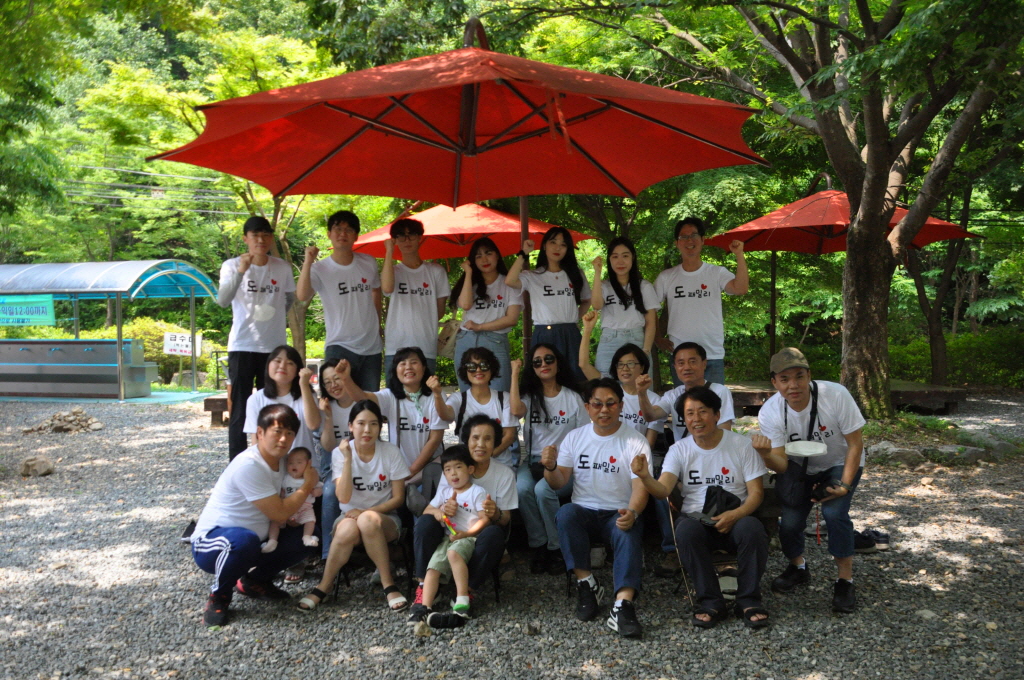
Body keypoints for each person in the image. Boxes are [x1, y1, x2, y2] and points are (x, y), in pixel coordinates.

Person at [631, 386, 770, 629]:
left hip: (736, 517)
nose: (696, 419)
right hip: (698, 520)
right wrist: (645, 476)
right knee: (685, 530)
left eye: (703, 411)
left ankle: (748, 600)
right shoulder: (679, 450)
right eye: (690, 413)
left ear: (717, 415)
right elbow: (662, 490)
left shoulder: (741, 445)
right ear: (683, 419)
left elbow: (756, 493)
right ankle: (710, 601)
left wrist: (736, 514)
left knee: (752, 528)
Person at [754, 347, 866, 613]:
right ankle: (798, 566)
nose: (793, 385)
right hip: (798, 466)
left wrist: (845, 484)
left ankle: (845, 580)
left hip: (839, 462)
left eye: (799, 377)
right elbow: (781, 463)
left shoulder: (835, 395)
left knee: (834, 513)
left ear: (809, 376)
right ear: (775, 382)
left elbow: (855, 444)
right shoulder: (770, 412)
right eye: (784, 379)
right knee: (790, 521)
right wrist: (766, 455)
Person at [191, 404, 319, 627]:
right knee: (244, 540)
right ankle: (219, 596)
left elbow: (291, 504)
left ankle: (254, 581)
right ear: (260, 432)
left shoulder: (285, 462)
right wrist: (308, 485)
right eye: (277, 432)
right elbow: (279, 511)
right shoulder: (249, 465)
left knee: (309, 535)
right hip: (212, 543)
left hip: (257, 541)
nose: (283, 439)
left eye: (289, 433)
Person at [544, 377, 650, 639]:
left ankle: (623, 606)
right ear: (587, 407)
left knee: (628, 527)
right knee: (566, 513)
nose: (604, 410)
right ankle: (587, 584)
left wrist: (633, 512)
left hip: (617, 511)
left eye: (611, 403)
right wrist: (550, 467)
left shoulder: (635, 441)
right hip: (585, 510)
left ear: (621, 406)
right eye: (597, 404)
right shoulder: (575, 438)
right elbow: (558, 483)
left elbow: (641, 487)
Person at [298, 400, 411, 612]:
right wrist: (348, 459)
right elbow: (343, 497)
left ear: (380, 427)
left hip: (385, 519)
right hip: (348, 517)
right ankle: (325, 585)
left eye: (373, 424)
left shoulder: (390, 452)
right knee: (348, 528)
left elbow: (398, 498)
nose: (367, 430)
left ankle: (388, 584)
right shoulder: (340, 452)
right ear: (350, 426)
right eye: (361, 423)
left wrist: (366, 512)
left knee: (367, 520)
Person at [635, 341, 735, 576]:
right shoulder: (673, 395)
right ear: (675, 368)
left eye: (692, 361)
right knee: (662, 488)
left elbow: (725, 433)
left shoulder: (719, 391)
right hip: (682, 460)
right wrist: (641, 392)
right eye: (680, 363)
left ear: (704, 364)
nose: (686, 367)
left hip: (714, 459)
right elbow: (650, 415)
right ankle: (673, 549)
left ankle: (720, 548)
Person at [410, 414, 518, 623]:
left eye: (488, 439)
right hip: (449, 533)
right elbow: (434, 507)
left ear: (496, 443)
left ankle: (467, 591)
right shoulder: (453, 468)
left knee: (494, 533)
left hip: (478, 534)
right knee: (424, 523)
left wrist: (495, 513)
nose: (481, 444)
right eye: (475, 438)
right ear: (466, 440)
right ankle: (425, 587)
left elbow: (505, 519)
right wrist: (443, 509)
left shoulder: (504, 474)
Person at [217, 216, 296, 459]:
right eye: (255, 235)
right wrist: (242, 271)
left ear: (271, 238)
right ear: (245, 238)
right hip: (242, 345)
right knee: (239, 407)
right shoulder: (231, 265)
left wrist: (273, 316)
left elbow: (289, 299)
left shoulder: (282, 267)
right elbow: (222, 300)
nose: (261, 240)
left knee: (272, 407)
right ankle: (237, 462)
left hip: (274, 348)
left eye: (265, 235)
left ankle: (271, 458)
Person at [510, 344, 586, 575]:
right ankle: (539, 544)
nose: (543, 364)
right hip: (533, 461)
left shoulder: (572, 397)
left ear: (558, 363)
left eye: (548, 359)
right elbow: (515, 410)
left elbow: (584, 436)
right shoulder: (529, 397)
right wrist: (514, 373)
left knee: (543, 490)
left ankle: (556, 547)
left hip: (564, 464)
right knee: (522, 489)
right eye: (537, 362)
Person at [336, 346, 446, 502]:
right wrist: (345, 379)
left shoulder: (435, 396)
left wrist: (412, 470)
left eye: (414, 362)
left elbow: (435, 439)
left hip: (428, 468)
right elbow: (362, 398)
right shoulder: (390, 396)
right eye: (402, 363)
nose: (408, 367)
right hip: (398, 470)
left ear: (423, 367)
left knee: (423, 500)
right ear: (395, 370)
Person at [654, 217, 748, 386]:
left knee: (713, 402)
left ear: (703, 240)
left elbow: (740, 288)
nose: (689, 240)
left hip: (711, 354)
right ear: (677, 243)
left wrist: (739, 255)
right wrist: (657, 338)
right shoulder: (666, 277)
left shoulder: (716, 272)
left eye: (694, 235)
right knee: (685, 403)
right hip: (681, 357)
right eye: (683, 237)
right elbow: (650, 308)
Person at [296, 210, 383, 391]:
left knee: (369, 401)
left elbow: (376, 290)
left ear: (356, 236)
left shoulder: (368, 262)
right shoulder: (320, 268)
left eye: (349, 229)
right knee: (338, 399)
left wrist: (377, 322)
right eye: (338, 229)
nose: (343, 233)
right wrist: (307, 262)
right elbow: (302, 295)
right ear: (329, 234)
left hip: (371, 347)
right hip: (339, 345)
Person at [414, 445, 490, 627]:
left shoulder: (477, 492)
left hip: (468, 538)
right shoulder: (445, 492)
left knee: (453, 554)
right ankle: (425, 608)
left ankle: (462, 601)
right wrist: (439, 512)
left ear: (470, 469)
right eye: (447, 469)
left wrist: (468, 533)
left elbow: (484, 519)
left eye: (458, 467)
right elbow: (427, 510)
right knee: (433, 566)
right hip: (448, 538)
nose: (453, 473)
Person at [505, 227, 591, 383]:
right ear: (544, 245)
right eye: (553, 242)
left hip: (571, 333)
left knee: (576, 379)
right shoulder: (532, 275)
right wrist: (524, 253)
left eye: (563, 244)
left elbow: (587, 300)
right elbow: (510, 281)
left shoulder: (576, 274)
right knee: (543, 380)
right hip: (544, 333)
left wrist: (574, 319)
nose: (558, 248)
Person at [579, 310, 663, 448]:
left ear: (642, 367)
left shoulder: (654, 401)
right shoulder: (610, 391)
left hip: (636, 456)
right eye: (620, 364)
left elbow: (649, 443)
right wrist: (587, 329)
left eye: (631, 364)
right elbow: (583, 365)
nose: (625, 369)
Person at [451, 237, 523, 393]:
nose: (484, 259)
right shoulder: (470, 283)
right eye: (478, 256)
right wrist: (468, 273)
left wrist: (480, 327)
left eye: (488, 253)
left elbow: (512, 319)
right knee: (467, 394)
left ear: (497, 255)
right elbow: (465, 305)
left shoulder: (509, 283)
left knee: (500, 394)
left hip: (495, 339)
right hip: (466, 339)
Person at [381, 218, 450, 376]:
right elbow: (387, 288)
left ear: (420, 237)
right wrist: (389, 251)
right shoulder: (393, 271)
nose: (407, 240)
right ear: (395, 240)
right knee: (395, 391)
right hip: (396, 346)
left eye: (411, 235)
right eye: (401, 236)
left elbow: (439, 311)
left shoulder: (436, 271)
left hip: (425, 345)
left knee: (426, 391)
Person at [436, 347, 519, 468]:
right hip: (467, 465)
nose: (478, 370)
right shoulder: (458, 398)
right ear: (465, 370)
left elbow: (509, 436)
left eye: (484, 365)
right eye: (472, 366)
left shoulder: (504, 398)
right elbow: (446, 415)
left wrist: (484, 457)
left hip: (500, 465)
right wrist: (437, 394)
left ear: (492, 369)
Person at [589, 237, 659, 377]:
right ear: (609, 260)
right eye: (615, 257)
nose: (620, 261)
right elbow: (596, 305)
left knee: (639, 386)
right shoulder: (604, 286)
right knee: (606, 386)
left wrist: (645, 350)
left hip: (637, 340)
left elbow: (651, 322)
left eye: (625, 256)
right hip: (609, 342)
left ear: (633, 257)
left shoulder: (644, 286)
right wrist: (597, 273)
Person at [243, 346, 321, 456]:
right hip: (271, 463)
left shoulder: (307, 395)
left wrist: (304, 385)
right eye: (277, 361)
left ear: (297, 370)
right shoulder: (256, 399)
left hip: (302, 462)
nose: (282, 366)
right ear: (268, 365)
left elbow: (313, 425)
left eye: (290, 363)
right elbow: (256, 440)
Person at [314, 358, 355, 563]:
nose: (333, 385)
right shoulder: (325, 407)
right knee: (330, 492)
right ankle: (328, 554)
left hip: (364, 463)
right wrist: (328, 418)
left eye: (336, 379)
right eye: (327, 382)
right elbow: (329, 447)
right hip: (335, 466)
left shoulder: (360, 402)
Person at [263, 447, 323, 553]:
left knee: (310, 520)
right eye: (290, 463)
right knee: (275, 521)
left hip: (305, 508)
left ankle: (307, 536)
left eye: (299, 462)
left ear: (308, 464)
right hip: (288, 506)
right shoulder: (286, 478)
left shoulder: (310, 478)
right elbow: (282, 492)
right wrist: (281, 500)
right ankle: (272, 540)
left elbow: (320, 490)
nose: (294, 465)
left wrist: (315, 492)